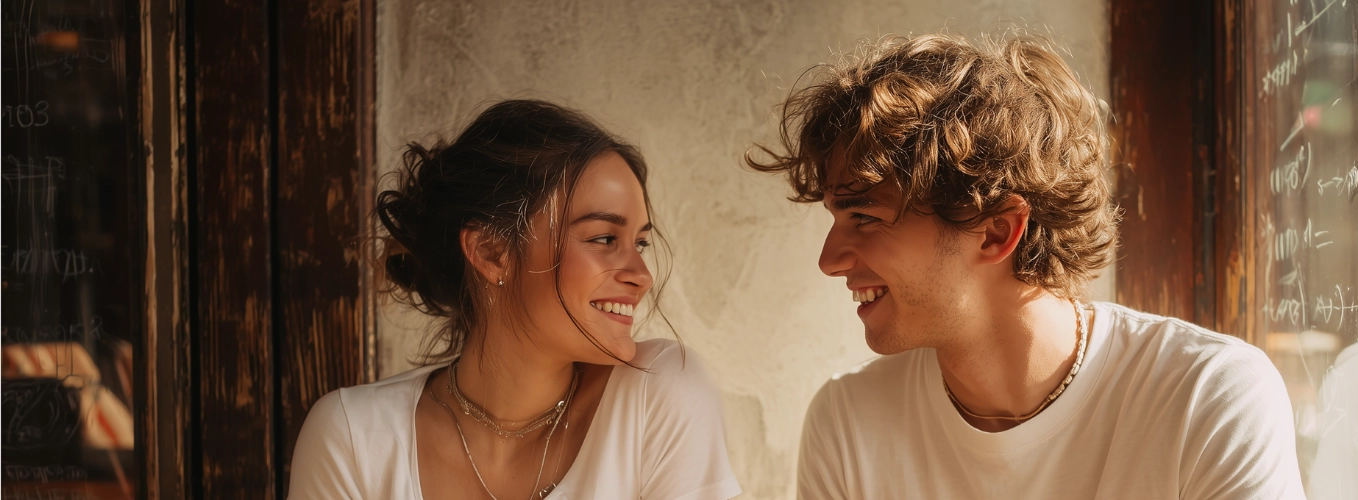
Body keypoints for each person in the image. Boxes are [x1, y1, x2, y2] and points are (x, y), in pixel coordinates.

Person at [748, 33, 1306, 499]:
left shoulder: (1207, 397)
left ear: (996, 231)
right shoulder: (848, 423)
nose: (829, 261)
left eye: (864, 217)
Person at [289, 99, 742, 499]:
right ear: (492, 253)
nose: (642, 276)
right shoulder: (353, 438)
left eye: (640, 243)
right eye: (604, 238)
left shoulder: (656, 395)